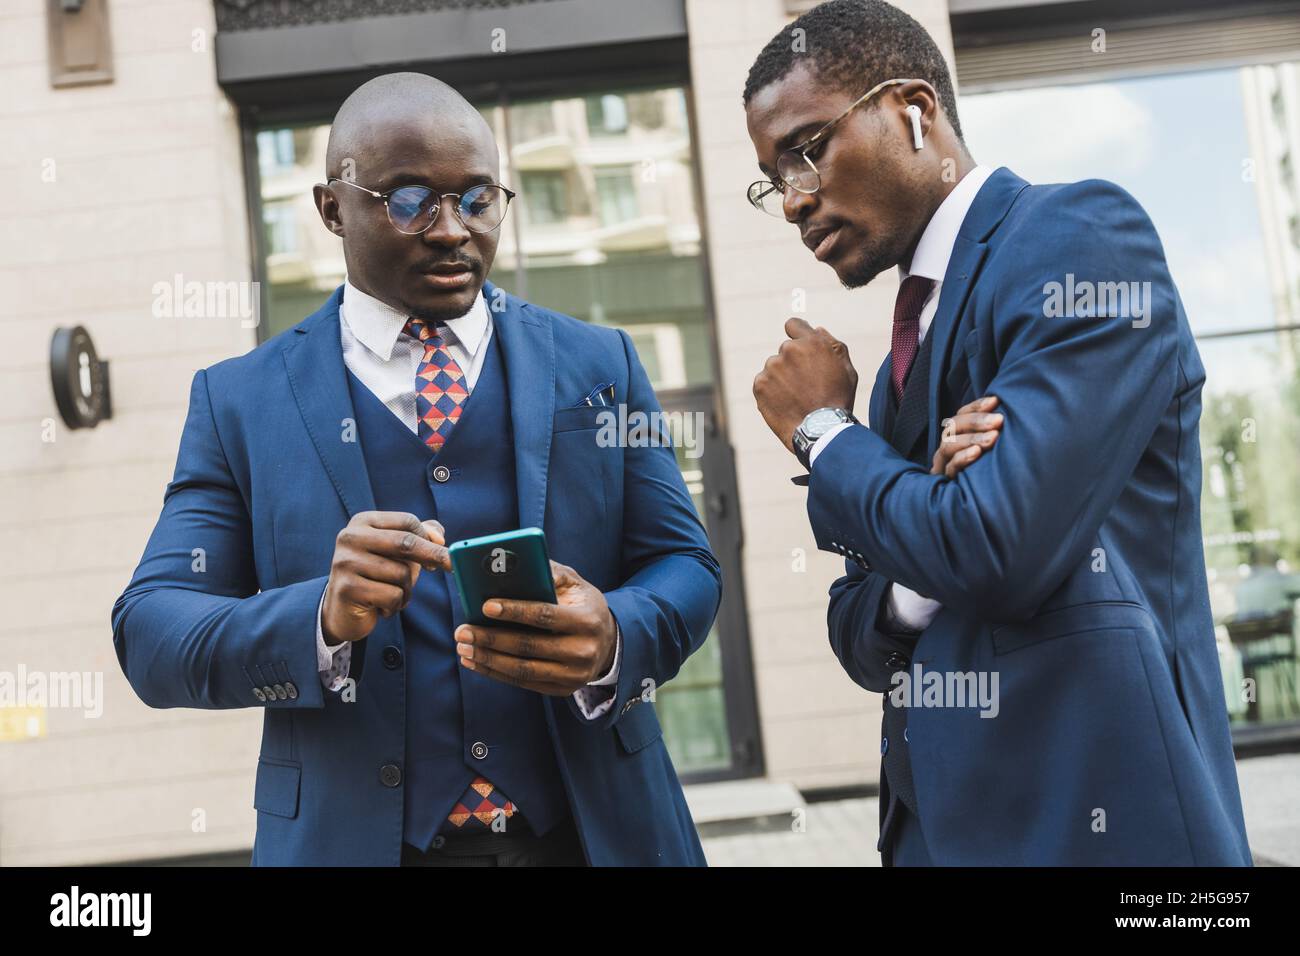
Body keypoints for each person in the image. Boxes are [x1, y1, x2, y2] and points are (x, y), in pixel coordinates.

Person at [111, 72, 721, 866]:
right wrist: (320, 619)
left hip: (594, 835)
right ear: (333, 208)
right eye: (408, 199)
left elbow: (688, 564)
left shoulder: (596, 362)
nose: (451, 229)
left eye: (477, 198)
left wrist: (614, 636)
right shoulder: (240, 402)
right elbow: (151, 632)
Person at [746, 0, 1251, 866]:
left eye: (806, 149)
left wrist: (825, 433)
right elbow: (857, 630)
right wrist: (924, 549)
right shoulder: (902, 367)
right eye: (772, 178)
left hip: (1103, 826)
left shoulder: (1079, 239)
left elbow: (993, 545)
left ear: (912, 107)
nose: (794, 201)